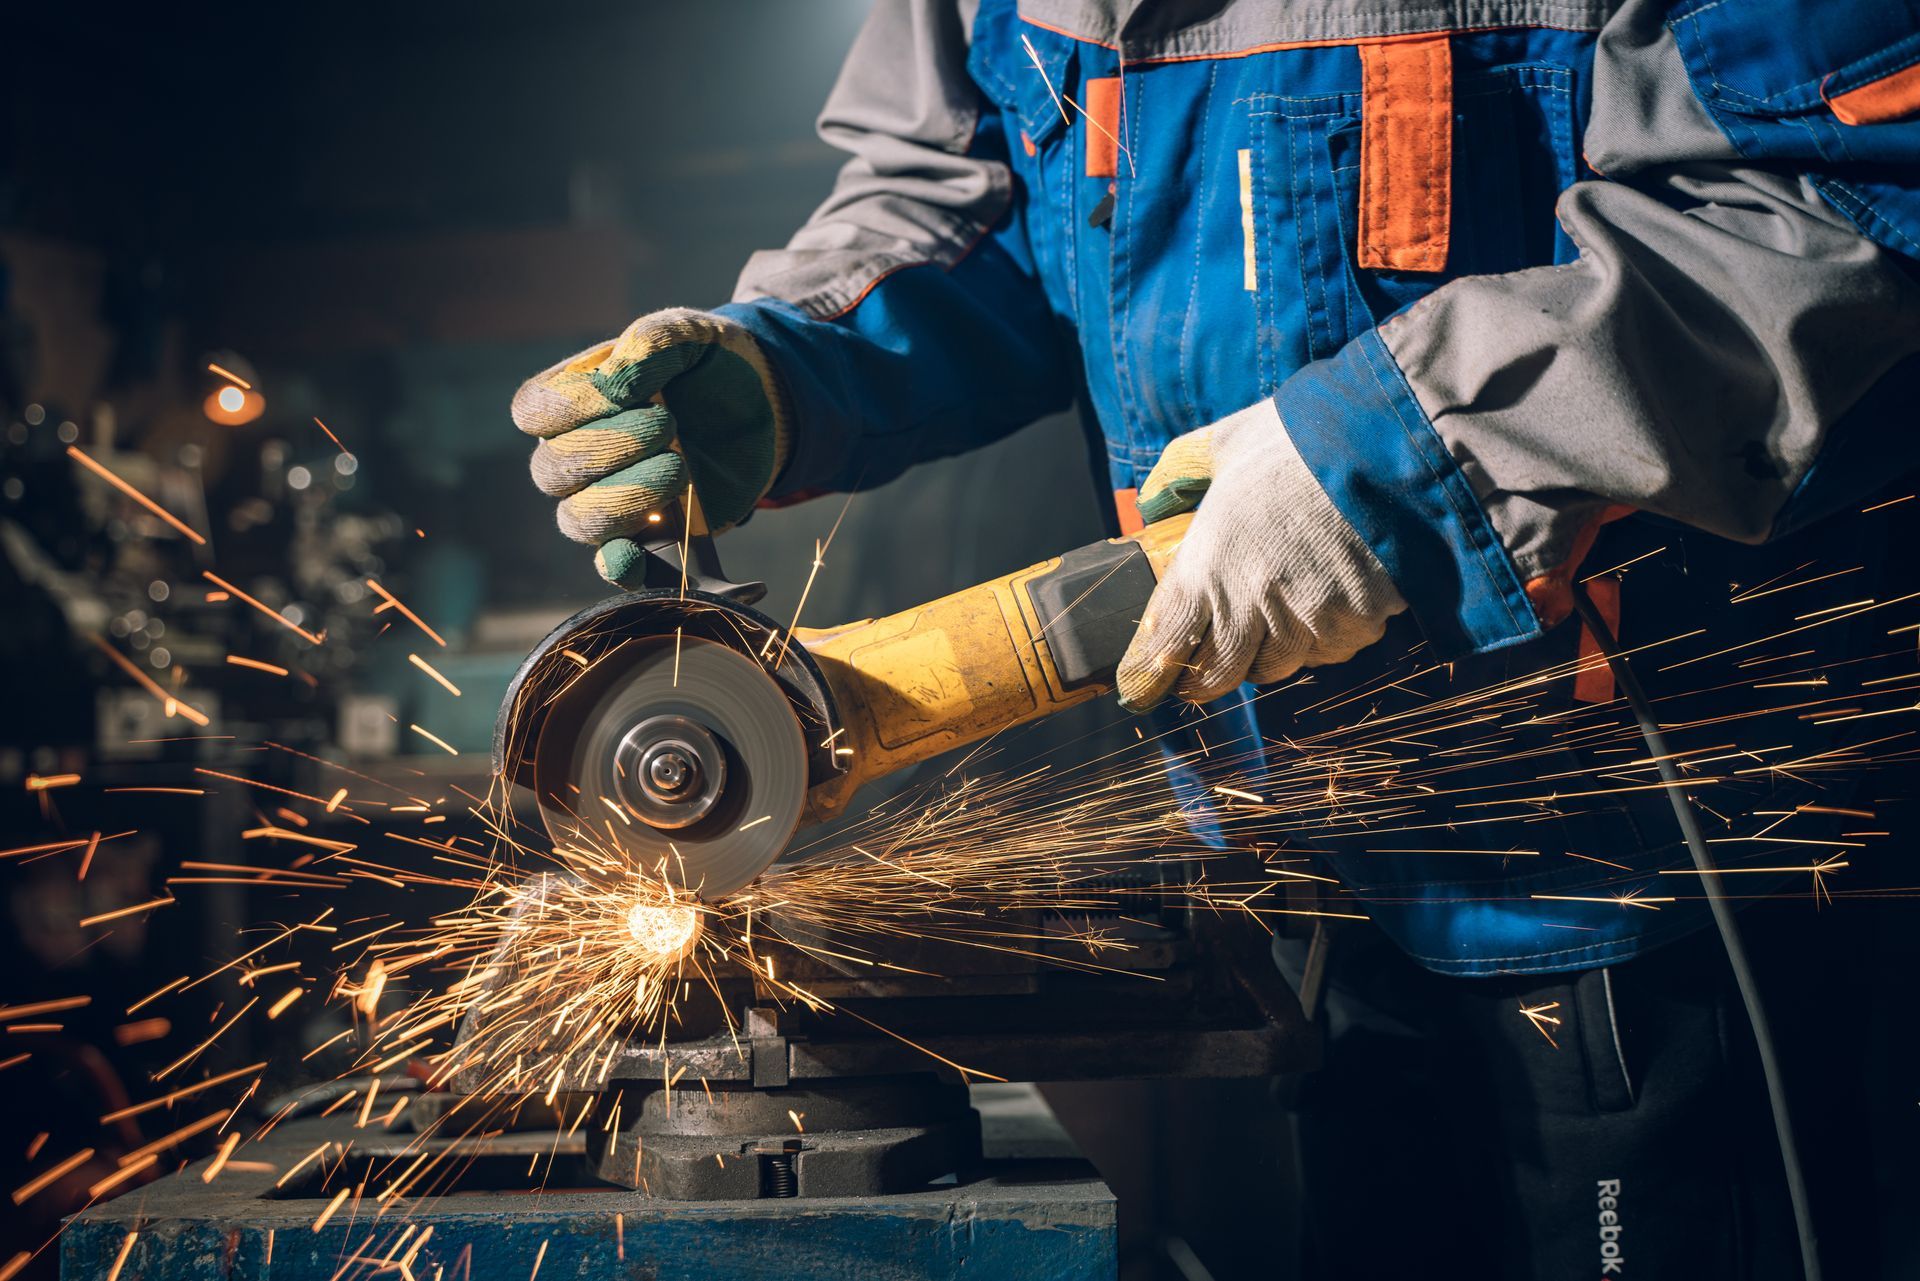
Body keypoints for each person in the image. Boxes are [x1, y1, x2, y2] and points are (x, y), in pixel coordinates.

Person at [513, 2, 1920, 1275]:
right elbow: (990, 203)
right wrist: (799, 358)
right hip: (1307, 864)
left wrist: (1394, 452)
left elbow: (1828, 187)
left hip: (1654, 858)